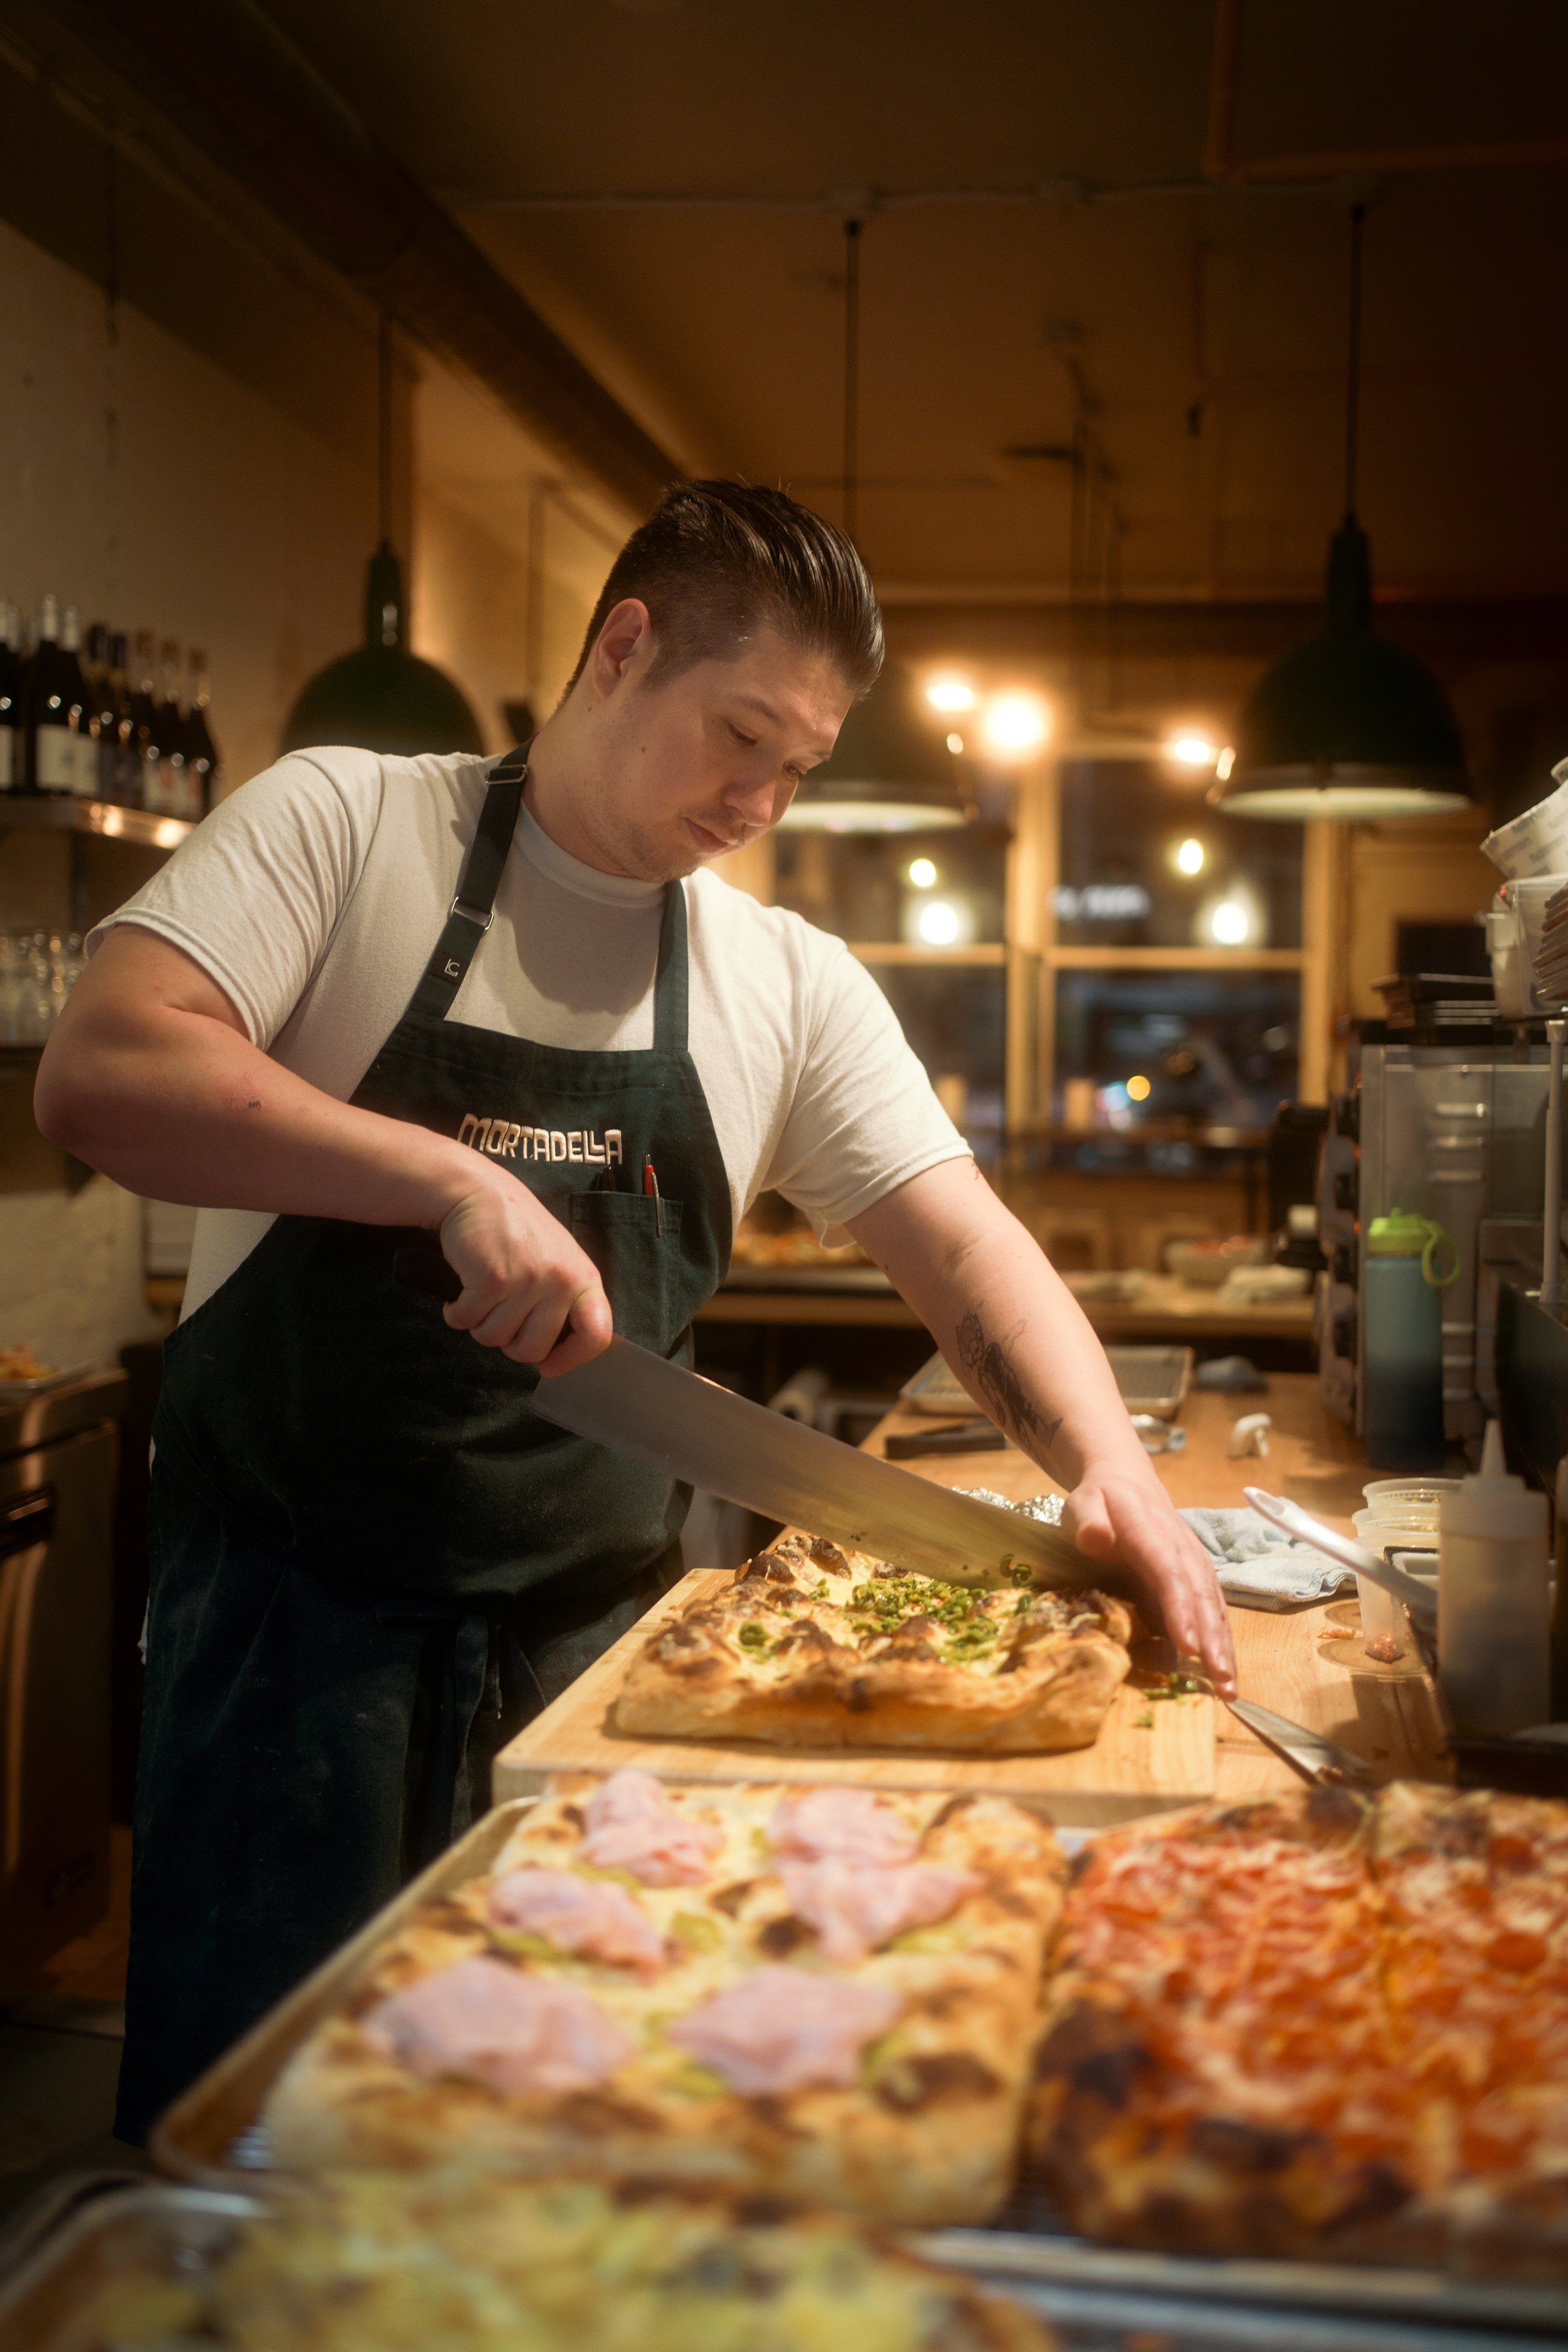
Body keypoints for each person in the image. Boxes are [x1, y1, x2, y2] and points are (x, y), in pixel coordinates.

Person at [36, 480, 1234, 2142]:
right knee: (259, 2148)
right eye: (739, 735)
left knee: (573, 2134)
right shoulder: (349, 825)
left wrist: (1109, 1467)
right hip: (285, 1654)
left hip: (604, 1666)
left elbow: (968, 1255)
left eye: (799, 765)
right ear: (623, 647)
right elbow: (103, 1075)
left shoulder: (781, 980)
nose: (761, 796)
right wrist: (448, 1180)